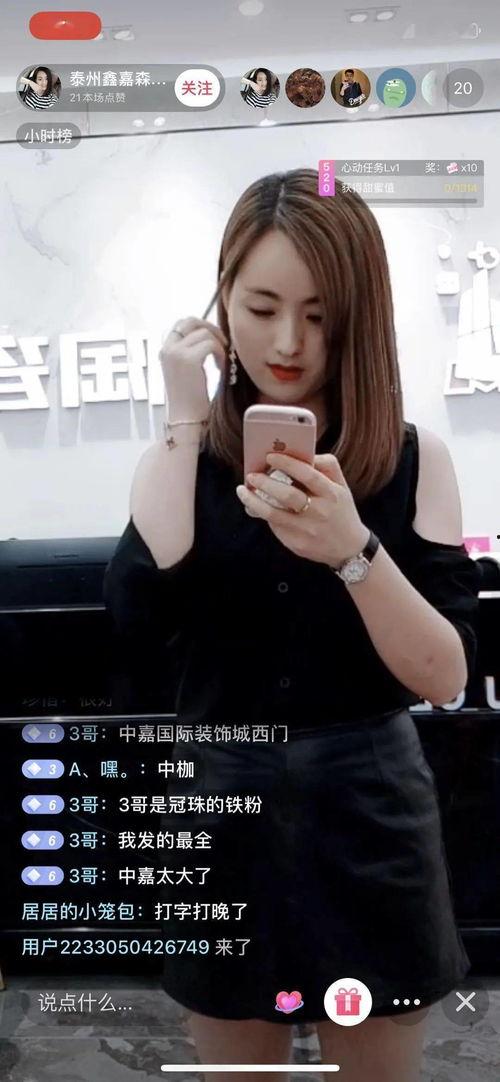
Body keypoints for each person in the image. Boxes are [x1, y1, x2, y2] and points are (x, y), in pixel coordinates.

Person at [103, 169, 480, 1082]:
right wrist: (183, 418)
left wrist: (353, 550)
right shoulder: (181, 460)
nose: (286, 342)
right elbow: (139, 619)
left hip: (369, 806)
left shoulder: (411, 458)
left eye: (318, 314)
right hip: (218, 800)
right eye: (261, 307)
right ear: (222, 300)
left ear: (359, 314)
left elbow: (447, 677)